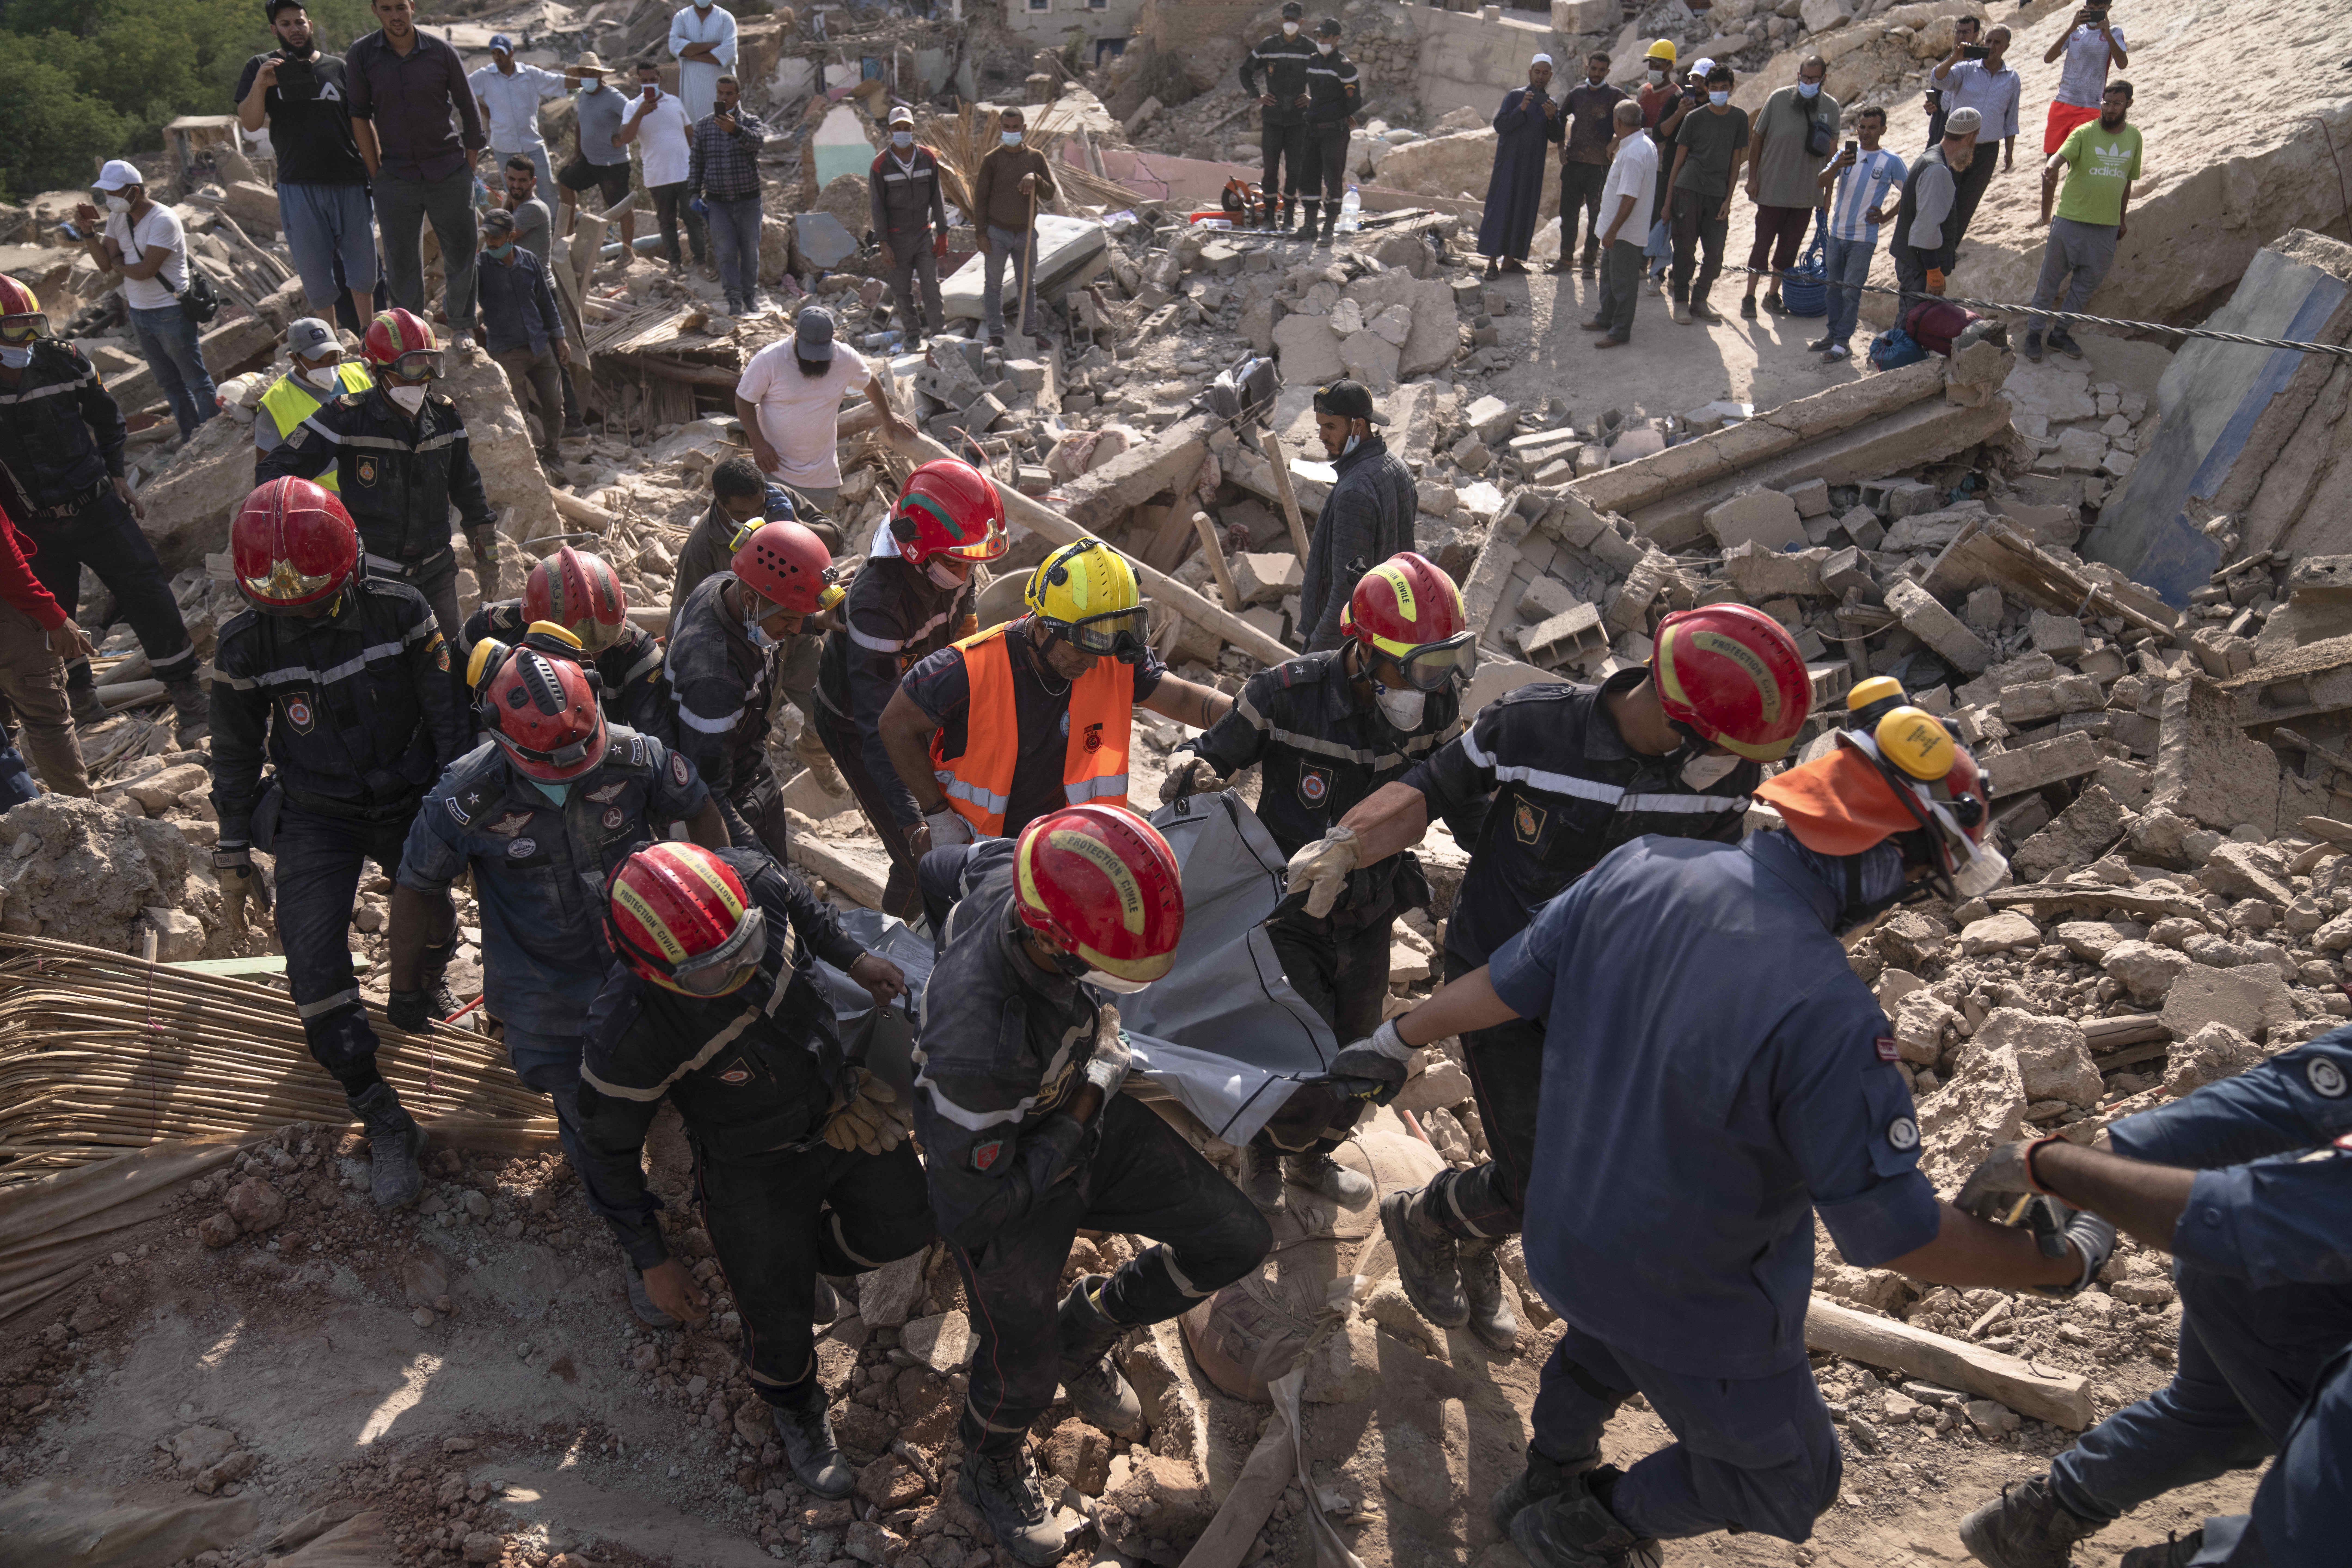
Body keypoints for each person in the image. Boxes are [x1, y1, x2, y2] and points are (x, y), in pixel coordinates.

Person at [1353, 718, 2114, 1567]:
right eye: (1913, 878)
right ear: (1881, 860)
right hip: (1696, 1300)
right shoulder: (1831, 1019)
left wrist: (1398, 1037)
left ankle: (1547, 1472)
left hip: (1570, 1243)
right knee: (1790, 1480)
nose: (1902, 898)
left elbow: (1504, 985)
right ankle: (1577, 1526)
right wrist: (2061, 1265)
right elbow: (1894, 1236)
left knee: (1602, 1344)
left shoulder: (1641, 868)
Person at [1287, 605, 1811, 1344]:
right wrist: (1348, 843)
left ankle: (1466, 1236)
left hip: (1607, 990)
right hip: (1495, 976)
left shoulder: (1722, 777)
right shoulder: (1533, 729)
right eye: (1723, 748)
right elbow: (1430, 792)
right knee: (1542, 1175)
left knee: (1592, 1166)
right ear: (1673, 711)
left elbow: (1699, 891)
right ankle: (1429, 1220)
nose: (1737, 769)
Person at [909, 806, 1272, 1564]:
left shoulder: (1021, 869)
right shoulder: (978, 1041)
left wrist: (1085, 1100)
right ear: (1047, 939)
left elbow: (937, 867)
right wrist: (1084, 1104)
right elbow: (974, 1208)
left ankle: (1092, 1324)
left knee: (1234, 1237)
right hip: (1012, 1183)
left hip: (1077, 1115)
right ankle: (986, 1463)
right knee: (1018, 1355)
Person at [387, 644, 728, 1325]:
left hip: (649, 965)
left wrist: (722, 907)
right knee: (593, 1125)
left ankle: (734, 1219)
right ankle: (643, 1251)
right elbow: (416, 886)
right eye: (552, 763)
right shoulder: (465, 797)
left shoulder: (639, 757)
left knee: (709, 1090)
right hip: (547, 989)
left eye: (583, 754)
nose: (574, 771)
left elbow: (705, 816)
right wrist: (409, 982)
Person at [578, 840, 932, 1494]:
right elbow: (605, 1149)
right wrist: (651, 1256)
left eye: (748, 945)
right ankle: (795, 1403)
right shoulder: (631, 1033)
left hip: (840, 1108)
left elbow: (808, 909)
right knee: (776, 1310)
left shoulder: (754, 879)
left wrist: (856, 958)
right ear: (654, 970)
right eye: (716, 971)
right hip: (751, 1165)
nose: (745, 969)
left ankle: (814, 1253)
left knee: (908, 1222)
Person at [1951, 1031, 2352, 1568]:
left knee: (2219, 1414)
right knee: (2305, 1525)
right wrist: (2080, 1173)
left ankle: (2034, 1521)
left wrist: (2064, 1171)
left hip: (2255, 1264)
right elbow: (2264, 1112)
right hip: (2275, 1267)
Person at [1168, 553, 1480, 1214]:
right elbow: (1213, 756)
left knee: (1355, 1047)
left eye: (1441, 664)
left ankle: (1314, 1156)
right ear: (1364, 651)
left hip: (1371, 906)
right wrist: (1193, 769)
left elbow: (1463, 797)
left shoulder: (1436, 706)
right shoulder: (1283, 694)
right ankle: (1263, 1154)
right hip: (1285, 911)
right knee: (1289, 1047)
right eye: (1416, 667)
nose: (1428, 684)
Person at [209, 476, 467, 1207]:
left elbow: (447, 715)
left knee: (433, 917)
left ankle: (425, 982)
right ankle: (380, 1112)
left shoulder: (401, 609)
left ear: (348, 567)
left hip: (412, 796)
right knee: (312, 964)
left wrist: (460, 815)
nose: (306, 619)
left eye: (318, 601)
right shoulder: (246, 646)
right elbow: (232, 750)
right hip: (316, 812)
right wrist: (234, 848)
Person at [880, 538, 1233, 853]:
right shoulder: (968, 669)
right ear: (1044, 625)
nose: (1093, 663)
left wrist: (1250, 713)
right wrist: (937, 816)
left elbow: (1185, 700)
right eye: (1081, 649)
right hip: (979, 857)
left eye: (1101, 649)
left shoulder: (1109, 655)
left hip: (1068, 849)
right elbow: (894, 725)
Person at [0, 277, 207, 741]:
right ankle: (81, 701)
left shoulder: (64, 360)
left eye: (35, 326)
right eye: (16, 331)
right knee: (53, 614)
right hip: (34, 525)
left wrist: (117, 474)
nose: (29, 341)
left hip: (96, 506)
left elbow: (107, 417)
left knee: (148, 593)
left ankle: (188, 696)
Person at [256, 308, 497, 668]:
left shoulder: (445, 416)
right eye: (412, 369)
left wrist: (488, 558)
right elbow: (275, 472)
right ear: (377, 370)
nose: (422, 381)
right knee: (388, 672)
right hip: (376, 578)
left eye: (431, 367)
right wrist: (313, 527)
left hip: (437, 572)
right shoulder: (347, 417)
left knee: (451, 666)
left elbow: (469, 489)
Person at [814, 458, 1001, 920]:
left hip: (918, 706)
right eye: (959, 563)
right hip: (857, 725)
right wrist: (920, 818)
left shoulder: (952, 560)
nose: (966, 573)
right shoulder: (880, 601)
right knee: (919, 856)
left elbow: (964, 631)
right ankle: (899, 950)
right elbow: (880, 727)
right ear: (920, 553)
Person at [662, 519, 834, 862]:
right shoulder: (714, 675)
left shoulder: (725, 586)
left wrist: (815, 622)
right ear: (753, 599)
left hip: (749, 756)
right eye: (788, 620)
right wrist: (759, 867)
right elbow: (709, 795)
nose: (793, 630)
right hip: (731, 785)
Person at [347, 0, 487, 350]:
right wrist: (376, 172)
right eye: (387, 8)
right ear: (375, 11)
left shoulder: (441, 51)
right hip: (395, 174)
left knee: (461, 249)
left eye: (401, 7)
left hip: (448, 167)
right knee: (401, 259)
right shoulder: (363, 55)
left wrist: (469, 166)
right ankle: (412, 336)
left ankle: (461, 327)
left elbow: (469, 109)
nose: (396, 15)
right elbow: (359, 116)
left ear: (413, 6)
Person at [236, 2, 377, 321]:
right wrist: (261, 84)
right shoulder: (261, 67)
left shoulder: (337, 68)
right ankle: (329, 345)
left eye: (299, 22)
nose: (294, 30)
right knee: (316, 275)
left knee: (364, 270)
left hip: (349, 180)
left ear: (310, 25)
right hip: (298, 185)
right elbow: (251, 123)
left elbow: (362, 124)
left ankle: (369, 338)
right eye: (285, 24)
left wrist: (376, 173)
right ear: (275, 30)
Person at [73, 162, 216, 444]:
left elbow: (145, 271)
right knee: (170, 384)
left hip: (171, 312)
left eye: (114, 193)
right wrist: (88, 233)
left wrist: (119, 264)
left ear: (135, 191)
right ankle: (192, 438)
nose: (108, 200)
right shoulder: (118, 218)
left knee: (196, 381)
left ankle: (214, 437)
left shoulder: (163, 220)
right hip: (139, 313)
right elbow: (105, 265)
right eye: (106, 194)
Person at [462, 545, 667, 735]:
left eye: (602, 642)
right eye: (571, 646)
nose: (587, 656)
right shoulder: (486, 631)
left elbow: (658, 740)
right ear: (530, 623)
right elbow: (451, 713)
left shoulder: (639, 655)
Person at [733, 307, 914, 514]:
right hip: (775, 470)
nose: (814, 360)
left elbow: (870, 382)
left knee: (816, 540)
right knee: (774, 538)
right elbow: (744, 400)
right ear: (797, 335)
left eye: (820, 354)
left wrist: (888, 417)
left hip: (821, 476)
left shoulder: (844, 357)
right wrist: (759, 444)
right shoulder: (770, 360)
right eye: (809, 353)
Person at [1298, 379, 1415, 653]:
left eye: (1330, 427)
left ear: (1358, 426)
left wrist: (1317, 650)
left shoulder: (1354, 493)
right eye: (1320, 426)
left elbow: (1347, 592)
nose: (1321, 436)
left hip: (1351, 642)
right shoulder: (1399, 468)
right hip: (1388, 629)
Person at [2027, 82, 2139, 364]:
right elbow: (2058, 158)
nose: (2110, 108)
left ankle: (2060, 333)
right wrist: (2051, 167)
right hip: (2070, 223)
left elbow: (2127, 182)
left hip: (2106, 228)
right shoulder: (2084, 133)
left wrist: (2122, 220)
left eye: (2117, 103)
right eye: (2107, 102)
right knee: (2049, 281)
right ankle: (2033, 334)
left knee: (2086, 285)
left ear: (2129, 105)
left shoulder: (2135, 138)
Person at [0, 495, 93, 799]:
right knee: (47, 719)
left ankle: (18, 822)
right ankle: (82, 817)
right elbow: (7, 563)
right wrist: (51, 615)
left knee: (4, 730)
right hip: (11, 614)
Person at [1739, 55, 1837, 320]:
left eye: (1814, 79)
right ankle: (1749, 296)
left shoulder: (1831, 108)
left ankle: (1772, 295)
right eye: (1804, 77)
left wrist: (1827, 196)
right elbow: (1757, 139)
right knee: (1762, 245)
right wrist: (1752, 179)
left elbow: (1833, 156)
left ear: (1823, 80)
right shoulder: (1778, 99)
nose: (1807, 82)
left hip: (1807, 195)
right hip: (1772, 191)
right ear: (1798, 76)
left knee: (1789, 250)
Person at [473, 209, 570, 472]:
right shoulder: (480, 267)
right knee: (517, 413)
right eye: (487, 237)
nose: (490, 243)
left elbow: (546, 303)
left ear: (511, 236)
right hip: (507, 353)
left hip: (539, 345)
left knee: (554, 405)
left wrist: (559, 337)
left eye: (496, 237)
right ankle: (529, 464)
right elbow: (463, 302)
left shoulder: (529, 261)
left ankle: (552, 451)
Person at [1810, 106, 1905, 363]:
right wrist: (1837, 166)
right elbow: (1820, 182)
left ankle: (1843, 343)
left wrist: (1886, 217)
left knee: (1850, 292)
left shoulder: (1891, 161)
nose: (1865, 133)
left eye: (1872, 128)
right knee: (1832, 290)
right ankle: (1832, 336)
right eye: (1862, 127)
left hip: (1864, 239)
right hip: (1837, 234)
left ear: (1883, 130)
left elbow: (1910, 194)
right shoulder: (1846, 155)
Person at [1665, 64, 1748, 325]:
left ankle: (1700, 300)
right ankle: (1681, 302)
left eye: (1725, 88)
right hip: (1688, 188)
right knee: (1685, 250)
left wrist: (1728, 199)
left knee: (1715, 255)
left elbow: (1736, 162)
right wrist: (1668, 201)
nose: (1720, 92)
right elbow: (1678, 162)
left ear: (1732, 89)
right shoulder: (1695, 118)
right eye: (1715, 88)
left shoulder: (1739, 118)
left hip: (1717, 194)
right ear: (1707, 89)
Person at [972, 109, 1058, 350]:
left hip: (1026, 233)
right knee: (993, 285)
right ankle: (996, 334)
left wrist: (1035, 178)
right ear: (1000, 128)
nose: (1011, 131)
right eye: (1007, 127)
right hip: (997, 232)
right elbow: (980, 199)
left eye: (1016, 127)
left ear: (1025, 129)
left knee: (1028, 285)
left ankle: (1030, 331)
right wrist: (980, 234)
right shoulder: (992, 160)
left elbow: (1050, 192)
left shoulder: (1036, 158)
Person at [1929, 24, 2019, 253]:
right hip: (1956, 146)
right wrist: (1955, 57)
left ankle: (1949, 252)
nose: (1991, 47)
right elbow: (1938, 79)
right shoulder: (1966, 69)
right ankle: (1931, 248)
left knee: (1968, 204)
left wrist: (2009, 151)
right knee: (1945, 199)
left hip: (1988, 150)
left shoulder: (2012, 79)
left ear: (2007, 46)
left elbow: (2011, 119)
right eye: (1988, 41)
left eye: (1997, 42)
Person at [1579, 100, 1659, 348]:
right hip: (1617, 229)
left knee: (1623, 284)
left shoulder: (1636, 153)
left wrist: (1613, 230)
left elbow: (1630, 198)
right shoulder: (1638, 145)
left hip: (1624, 231)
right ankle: (1606, 318)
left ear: (1618, 123)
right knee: (1610, 278)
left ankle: (1620, 331)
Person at [253, 317, 374, 480]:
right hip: (325, 501)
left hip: (375, 486)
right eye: (318, 360)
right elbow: (267, 471)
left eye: (333, 357)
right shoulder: (275, 402)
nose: (328, 367)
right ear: (295, 359)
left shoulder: (357, 374)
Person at [691, 75, 769, 318]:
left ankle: (750, 297)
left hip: (748, 200)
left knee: (750, 252)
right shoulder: (705, 126)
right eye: (720, 94)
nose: (724, 98)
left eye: (729, 94)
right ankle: (734, 300)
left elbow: (757, 143)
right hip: (718, 202)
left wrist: (735, 130)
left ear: (738, 96)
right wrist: (694, 192)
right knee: (725, 253)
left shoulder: (750, 122)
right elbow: (697, 161)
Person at [1477, 55, 1562, 279]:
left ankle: (1510, 261)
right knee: (1501, 209)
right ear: (1530, 72)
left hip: (1532, 168)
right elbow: (1500, 126)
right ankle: (1492, 263)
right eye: (1538, 72)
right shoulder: (1515, 97)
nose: (1541, 77)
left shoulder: (1550, 104)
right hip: (1508, 166)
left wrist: (1553, 118)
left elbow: (1556, 137)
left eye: (1546, 73)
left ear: (1550, 76)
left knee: (1524, 210)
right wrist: (1521, 109)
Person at [617, 59, 704, 275]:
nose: (649, 84)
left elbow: (691, 135)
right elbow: (625, 138)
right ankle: (675, 264)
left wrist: (701, 165)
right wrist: (641, 113)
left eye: (653, 80)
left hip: (685, 172)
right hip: (658, 175)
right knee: (666, 222)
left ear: (660, 79)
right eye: (645, 81)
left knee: (693, 219)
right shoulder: (631, 107)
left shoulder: (675, 102)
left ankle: (701, 263)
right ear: (638, 81)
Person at [870, 107, 948, 348]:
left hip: (924, 234)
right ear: (890, 131)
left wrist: (943, 232)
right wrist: (883, 243)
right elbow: (877, 207)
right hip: (896, 240)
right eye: (898, 128)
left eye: (907, 128)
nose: (902, 132)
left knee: (931, 288)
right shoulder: (880, 165)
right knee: (902, 291)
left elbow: (937, 197)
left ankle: (939, 337)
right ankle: (913, 335)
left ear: (913, 130)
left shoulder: (927, 158)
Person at [674, 458, 799, 604]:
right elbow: (687, 610)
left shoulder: (778, 501)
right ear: (721, 505)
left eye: (760, 510)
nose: (753, 519)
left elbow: (832, 540)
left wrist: (797, 524)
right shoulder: (700, 548)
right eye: (741, 514)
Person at [1240, 2, 1319, 232]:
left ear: (1301, 23)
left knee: (1295, 169)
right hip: (1273, 118)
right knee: (1271, 170)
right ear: (1281, 20)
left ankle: (1291, 218)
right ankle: (1269, 219)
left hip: (1298, 120)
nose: (1290, 24)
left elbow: (1325, 77)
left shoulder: (1310, 49)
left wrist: (1313, 99)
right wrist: (1257, 96)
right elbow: (1245, 71)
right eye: (1287, 20)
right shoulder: (1268, 46)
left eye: (1294, 20)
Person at [1546, 53, 1624, 278]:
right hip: (1573, 164)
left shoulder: (1615, 96)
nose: (1597, 74)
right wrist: (1561, 148)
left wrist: (1615, 142)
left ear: (1608, 72)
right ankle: (1566, 259)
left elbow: (1633, 118)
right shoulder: (1577, 94)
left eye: (1602, 70)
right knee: (1568, 216)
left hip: (1599, 167)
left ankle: (1589, 263)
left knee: (1596, 217)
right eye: (1594, 69)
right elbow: (1559, 121)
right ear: (1587, 68)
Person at [1890, 107, 1977, 302]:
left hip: (1912, 263)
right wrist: (1934, 272)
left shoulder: (1931, 156)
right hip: (1919, 268)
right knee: (1913, 325)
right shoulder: (1938, 171)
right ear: (1971, 137)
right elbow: (1927, 228)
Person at [557, 53, 638, 264]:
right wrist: (576, 152)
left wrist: (622, 138)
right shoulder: (582, 94)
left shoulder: (613, 97)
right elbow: (580, 123)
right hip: (589, 160)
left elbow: (634, 115)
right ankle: (568, 239)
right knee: (565, 181)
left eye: (591, 73)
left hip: (613, 164)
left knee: (620, 207)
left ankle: (628, 253)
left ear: (600, 75)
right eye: (584, 74)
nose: (587, 77)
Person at [469, 33, 567, 197]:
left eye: (501, 52)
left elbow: (558, 82)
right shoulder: (484, 76)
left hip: (532, 143)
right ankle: (517, 222)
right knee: (514, 192)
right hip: (504, 146)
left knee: (547, 187)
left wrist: (585, 81)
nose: (498, 57)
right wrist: (484, 111)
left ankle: (551, 222)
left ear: (511, 53)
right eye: (494, 53)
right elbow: (463, 90)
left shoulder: (530, 75)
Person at [1637, 41, 1696, 285]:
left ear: (1670, 66)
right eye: (1651, 63)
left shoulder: (1676, 95)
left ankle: (1657, 269)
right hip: (1642, 158)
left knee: (1660, 212)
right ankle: (1640, 263)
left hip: (1663, 163)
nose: (1653, 68)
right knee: (1641, 212)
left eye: (1658, 64)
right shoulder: (1644, 91)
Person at [1299, 19, 1361, 246]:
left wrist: (1330, 113)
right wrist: (1314, 105)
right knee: (1308, 176)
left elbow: (1355, 102)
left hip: (1334, 131)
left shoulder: (1345, 66)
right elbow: (1318, 93)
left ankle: (1328, 229)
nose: (1321, 41)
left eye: (1326, 37)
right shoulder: (1314, 61)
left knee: (1333, 179)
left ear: (1336, 39)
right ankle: (1309, 226)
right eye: (1319, 37)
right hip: (1313, 129)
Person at [2043, 6, 2129, 156]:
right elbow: (2048, 59)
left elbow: (2122, 64)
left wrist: (2107, 34)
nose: (2095, 12)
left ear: (2109, 8)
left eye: (2100, 9)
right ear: (2085, 8)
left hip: (2090, 106)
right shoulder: (2077, 30)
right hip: (2062, 102)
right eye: (2092, 9)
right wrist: (2071, 28)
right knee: (2051, 158)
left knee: (2078, 160)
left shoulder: (2114, 31)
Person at [667, 0, 738, 122]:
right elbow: (674, 47)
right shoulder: (682, 18)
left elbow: (727, 54)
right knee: (697, 131)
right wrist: (712, 46)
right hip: (692, 93)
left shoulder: (726, 18)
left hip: (723, 93)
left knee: (725, 129)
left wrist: (689, 54)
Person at [1923, 14, 1979, 148]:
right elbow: (1935, 90)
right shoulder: (1948, 61)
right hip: (1939, 131)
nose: (1961, 37)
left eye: (1966, 32)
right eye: (1958, 32)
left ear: (1976, 35)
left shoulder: (1981, 65)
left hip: (1963, 133)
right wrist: (1930, 107)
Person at [496, 154, 555, 267]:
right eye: (512, 179)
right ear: (506, 177)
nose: (516, 185)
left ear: (533, 182)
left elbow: (497, 243)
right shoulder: (512, 205)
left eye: (522, 181)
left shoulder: (534, 208)